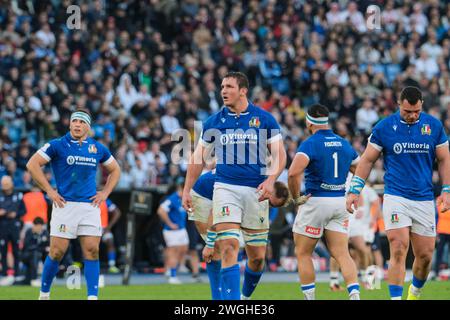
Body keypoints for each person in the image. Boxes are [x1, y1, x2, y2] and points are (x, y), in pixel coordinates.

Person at [182, 71, 287, 300]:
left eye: (229, 86)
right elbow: (198, 158)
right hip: (225, 188)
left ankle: (244, 298)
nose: (223, 91)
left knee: (257, 258)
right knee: (228, 245)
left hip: (255, 192)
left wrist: (270, 179)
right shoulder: (214, 121)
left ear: (243, 90)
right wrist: (186, 189)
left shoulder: (264, 119)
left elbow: (280, 154)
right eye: (222, 87)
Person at [346, 86, 450, 300]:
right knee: (399, 246)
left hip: (423, 197)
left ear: (421, 106)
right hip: (396, 196)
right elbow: (366, 160)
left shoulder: (434, 126)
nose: (412, 116)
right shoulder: (384, 127)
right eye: (407, 112)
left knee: (425, 256)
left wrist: (447, 189)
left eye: (416, 112)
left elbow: (445, 159)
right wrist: (354, 190)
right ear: (399, 105)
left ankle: (414, 293)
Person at [26, 108, 121, 300]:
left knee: (92, 250)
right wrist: (49, 191)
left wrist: (105, 192)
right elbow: (32, 164)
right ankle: (44, 294)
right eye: (75, 121)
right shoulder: (57, 145)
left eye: (82, 122)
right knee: (57, 252)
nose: (77, 124)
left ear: (88, 126)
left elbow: (115, 169)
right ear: (69, 124)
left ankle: (92, 297)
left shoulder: (97, 147)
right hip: (64, 205)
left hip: (89, 207)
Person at [288, 103, 360, 300]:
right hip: (339, 201)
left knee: (303, 253)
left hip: (316, 201)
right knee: (343, 254)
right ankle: (355, 296)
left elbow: (294, 173)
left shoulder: (310, 144)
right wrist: (354, 191)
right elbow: (360, 169)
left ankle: (310, 298)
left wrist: (296, 198)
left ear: (309, 122)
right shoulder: (343, 143)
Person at [189, 170, 289, 299]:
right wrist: (209, 243)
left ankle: (239, 297)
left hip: (226, 192)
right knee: (217, 247)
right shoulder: (256, 186)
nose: (268, 206)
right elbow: (215, 212)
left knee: (234, 249)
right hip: (202, 195)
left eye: (272, 205)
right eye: (269, 202)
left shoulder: (263, 187)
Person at [157, 178, 189, 285]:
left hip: (181, 229)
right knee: (173, 253)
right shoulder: (172, 199)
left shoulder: (182, 199)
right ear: (180, 188)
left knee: (184, 248)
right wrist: (169, 223)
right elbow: (161, 210)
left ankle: (171, 269)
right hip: (171, 231)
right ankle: (172, 276)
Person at [0, 175, 26, 286]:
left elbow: (23, 211)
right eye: (3, 183)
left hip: (14, 226)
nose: (5, 185)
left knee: (16, 251)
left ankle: (17, 274)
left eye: (7, 182)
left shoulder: (18, 195)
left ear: (11, 183)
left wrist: (15, 214)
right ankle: (4, 274)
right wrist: (5, 212)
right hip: (2, 226)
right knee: (3, 251)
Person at [21, 217, 50, 286]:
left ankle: (49, 277)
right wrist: (35, 235)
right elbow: (27, 246)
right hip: (27, 255)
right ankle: (34, 279)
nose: (39, 228)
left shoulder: (45, 232)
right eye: (38, 226)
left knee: (50, 255)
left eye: (41, 226)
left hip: (41, 254)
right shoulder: (29, 232)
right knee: (35, 254)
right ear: (34, 225)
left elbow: (48, 244)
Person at [99, 198, 121, 273]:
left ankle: (112, 265)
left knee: (110, 241)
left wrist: (108, 227)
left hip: (103, 228)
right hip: (91, 228)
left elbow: (117, 212)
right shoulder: (87, 198)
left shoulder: (105, 200)